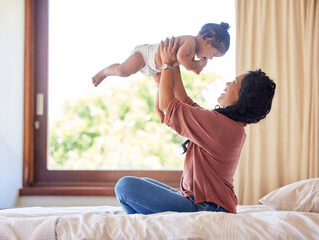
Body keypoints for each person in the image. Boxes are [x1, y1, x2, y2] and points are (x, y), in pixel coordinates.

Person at [114, 37, 276, 215]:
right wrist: (174, 63)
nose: (228, 84)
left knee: (126, 186)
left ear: (243, 97)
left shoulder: (221, 127)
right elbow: (185, 101)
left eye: (234, 83)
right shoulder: (227, 125)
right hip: (206, 204)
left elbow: (168, 106)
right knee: (144, 182)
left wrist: (167, 65)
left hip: (208, 208)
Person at [93, 22, 230, 123]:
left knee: (163, 87)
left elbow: (180, 62)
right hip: (145, 56)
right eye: (214, 54)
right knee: (123, 71)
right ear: (208, 41)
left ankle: (158, 109)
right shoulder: (190, 41)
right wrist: (196, 67)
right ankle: (104, 72)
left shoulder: (193, 51)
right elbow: (181, 58)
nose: (211, 58)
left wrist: (197, 64)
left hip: (156, 68)